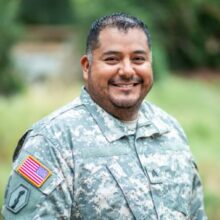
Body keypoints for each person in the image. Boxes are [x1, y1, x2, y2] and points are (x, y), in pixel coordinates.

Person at [2, 13, 207, 220]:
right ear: (87, 66)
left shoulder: (171, 132)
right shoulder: (52, 142)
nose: (127, 70)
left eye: (138, 59)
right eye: (112, 59)